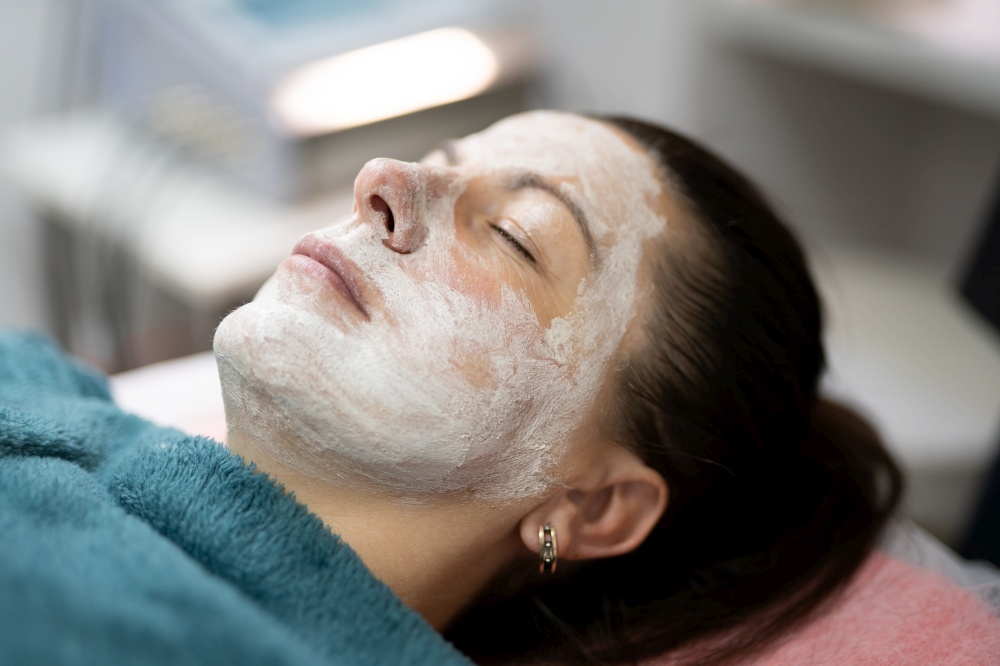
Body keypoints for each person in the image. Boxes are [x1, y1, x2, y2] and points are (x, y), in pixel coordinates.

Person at [1, 110, 997, 666]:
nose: (380, 178)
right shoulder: (42, 395)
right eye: (439, 164)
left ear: (591, 507)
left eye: (519, 235)